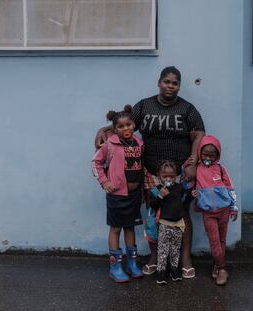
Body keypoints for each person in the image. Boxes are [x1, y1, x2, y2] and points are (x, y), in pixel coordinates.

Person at [95, 66, 205, 278]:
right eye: (167, 81)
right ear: (159, 82)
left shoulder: (187, 109)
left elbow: (199, 133)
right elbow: (123, 124)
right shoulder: (144, 106)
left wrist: (193, 161)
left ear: (179, 86)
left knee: (182, 213)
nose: (170, 86)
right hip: (150, 171)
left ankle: (184, 258)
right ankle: (155, 257)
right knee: (154, 215)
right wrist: (102, 131)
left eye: (175, 83)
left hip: (179, 172)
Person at [92, 105, 144, 283]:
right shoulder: (109, 145)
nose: (125, 129)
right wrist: (104, 182)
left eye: (128, 124)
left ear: (134, 125)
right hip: (117, 195)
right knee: (116, 229)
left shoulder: (139, 142)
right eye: (120, 126)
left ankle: (132, 264)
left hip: (134, 195)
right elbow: (96, 163)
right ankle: (115, 267)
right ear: (114, 129)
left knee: (130, 227)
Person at [191, 135, 238, 285]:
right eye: (205, 154)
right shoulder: (197, 169)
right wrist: (194, 193)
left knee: (222, 240)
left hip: (224, 210)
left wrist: (234, 208)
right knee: (214, 240)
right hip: (208, 213)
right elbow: (187, 184)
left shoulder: (220, 169)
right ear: (200, 153)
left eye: (212, 155)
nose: (208, 157)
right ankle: (223, 268)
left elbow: (230, 188)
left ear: (217, 155)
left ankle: (216, 266)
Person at [149, 160, 185, 285]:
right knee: (163, 249)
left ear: (176, 176)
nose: (169, 178)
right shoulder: (157, 189)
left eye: (172, 176)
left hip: (179, 224)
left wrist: (192, 195)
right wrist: (160, 196)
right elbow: (152, 206)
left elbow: (184, 202)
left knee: (175, 248)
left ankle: (174, 270)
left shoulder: (179, 188)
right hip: (164, 223)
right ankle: (161, 271)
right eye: (165, 176)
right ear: (159, 176)